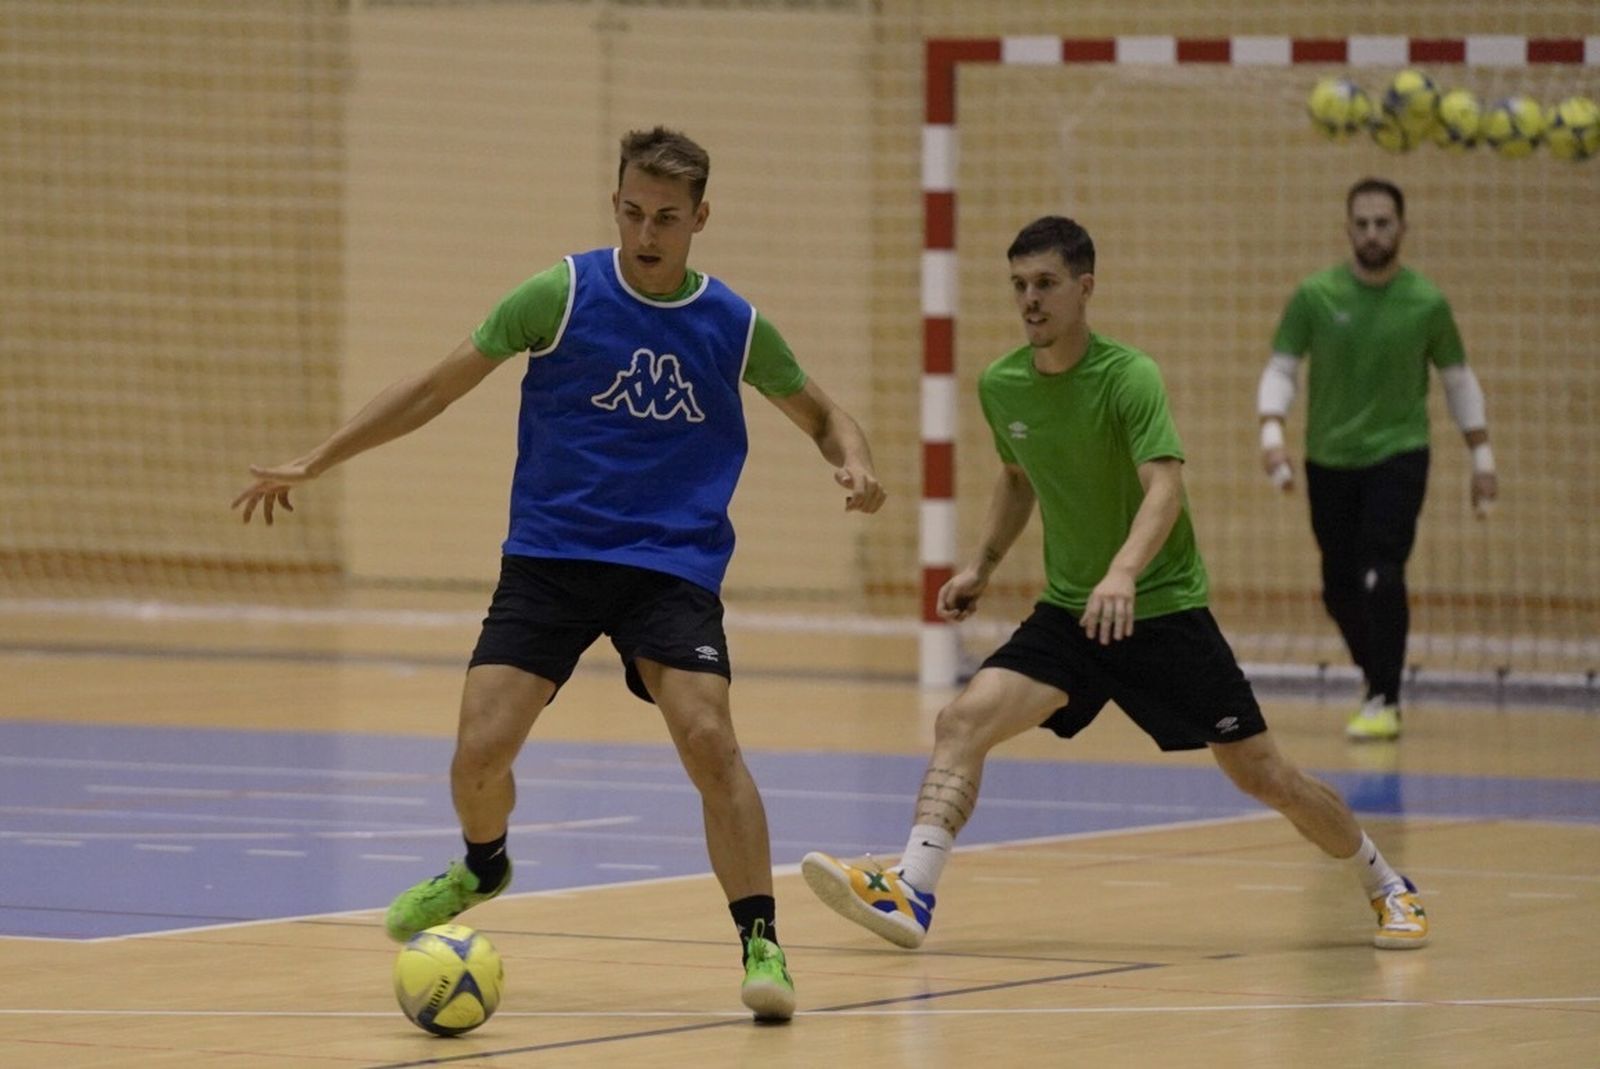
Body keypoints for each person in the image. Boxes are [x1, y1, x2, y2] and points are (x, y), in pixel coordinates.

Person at [233, 127, 887, 1021]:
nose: (645, 231)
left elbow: (823, 412)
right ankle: (483, 863)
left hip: (669, 564)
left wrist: (850, 459)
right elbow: (433, 387)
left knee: (710, 739)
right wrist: (318, 457)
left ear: (700, 217)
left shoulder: (732, 324)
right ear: (614, 203)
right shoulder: (564, 292)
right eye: (630, 211)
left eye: (665, 217)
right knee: (477, 753)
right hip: (551, 555)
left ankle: (761, 941)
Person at [800, 215, 1428, 955]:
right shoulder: (1004, 384)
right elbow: (1015, 477)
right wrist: (983, 566)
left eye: (1046, 284)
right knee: (962, 721)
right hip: (1071, 615)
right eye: (1019, 286)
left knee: (1267, 776)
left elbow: (1164, 488)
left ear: (1084, 288)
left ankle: (1387, 883)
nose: (1030, 300)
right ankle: (914, 888)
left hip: (1162, 615)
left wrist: (1124, 571)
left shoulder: (1130, 376)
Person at [1258, 177, 1497, 742]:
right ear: (1348, 230)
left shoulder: (1427, 303)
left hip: (1400, 453)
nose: (1372, 233)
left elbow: (1459, 381)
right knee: (1338, 587)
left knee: (1380, 572)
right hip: (1329, 458)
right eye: (1361, 224)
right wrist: (1272, 432)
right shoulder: (1316, 296)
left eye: (1383, 222)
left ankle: (1385, 698)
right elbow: (1282, 368)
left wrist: (1481, 456)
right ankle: (1377, 680)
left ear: (1402, 228)